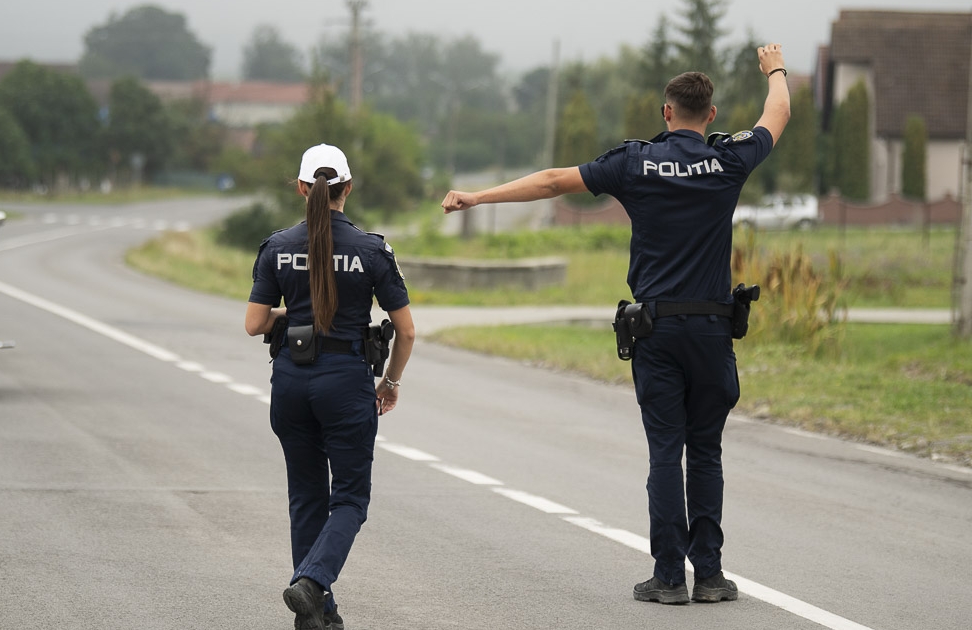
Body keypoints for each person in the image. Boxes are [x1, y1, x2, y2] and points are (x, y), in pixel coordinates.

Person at [441, 44, 791, 605]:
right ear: (712, 116)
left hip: (656, 331)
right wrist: (773, 65)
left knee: (663, 453)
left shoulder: (636, 161)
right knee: (706, 451)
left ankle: (669, 578)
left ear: (666, 112)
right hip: (711, 331)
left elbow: (555, 181)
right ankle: (712, 575)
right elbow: (777, 113)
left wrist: (478, 197)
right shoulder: (730, 161)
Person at [246, 144, 416, 629]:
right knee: (349, 500)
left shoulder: (276, 246)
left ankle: (318, 613)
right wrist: (390, 383)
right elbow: (405, 331)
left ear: (301, 188)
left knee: (306, 498)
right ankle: (314, 583)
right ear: (348, 187)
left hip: (291, 383)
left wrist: (291, 315)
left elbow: (254, 323)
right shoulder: (371, 249)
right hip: (345, 383)